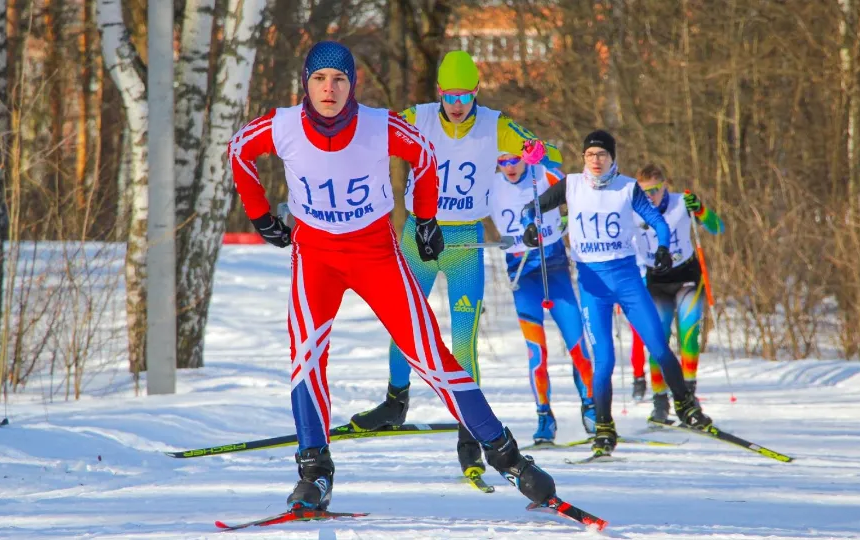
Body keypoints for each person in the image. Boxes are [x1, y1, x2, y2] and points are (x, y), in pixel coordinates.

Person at [228, 41, 565, 511]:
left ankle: (507, 457)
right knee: (305, 358)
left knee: (432, 356)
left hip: (375, 253)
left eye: (340, 80)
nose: (330, 89)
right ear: (305, 82)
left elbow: (424, 157)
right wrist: (261, 215)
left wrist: (425, 219)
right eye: (320, 79)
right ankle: (315, 471)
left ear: (353, 85)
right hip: (316, 257)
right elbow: (239, 150)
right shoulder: (282, 125)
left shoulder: (380, 125)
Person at [349, 50, 566, 478]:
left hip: (466, 239)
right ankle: (396, 400)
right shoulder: (419, 116)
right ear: (440, 92)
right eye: (451, 94)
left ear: (476, 92)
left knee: (463, 342)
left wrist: (541, 152)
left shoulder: (496, 125)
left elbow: (554, 157)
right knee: (402, 324)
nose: (458, 103)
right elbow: (370, 136)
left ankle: (470, 426)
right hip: (420, 234)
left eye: (466, 95)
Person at [522, 130, 712, 457]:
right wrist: (531, 227)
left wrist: (664, 247)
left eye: (602, 155)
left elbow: (658, 222)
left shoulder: (627, 187)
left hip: (627, 282)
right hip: (592, 285)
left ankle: (686, 406)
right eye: (590, 155)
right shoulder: (570, 185)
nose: (596, 161)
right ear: (584, 158)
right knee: (604, 361)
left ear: (612, 157)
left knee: (659, 346)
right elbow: (533, 209)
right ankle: (605, 427)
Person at [489, 152, 595, 441]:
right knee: (536, 352)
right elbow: (466, 214)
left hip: (556, 269)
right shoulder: (491, 184)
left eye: (514, 159)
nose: (509, 167)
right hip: (523, 276)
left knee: (579, 347)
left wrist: (567, 224)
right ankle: (544, 417)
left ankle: (590, 408)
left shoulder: (544, 175)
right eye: (502, 161)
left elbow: (580, 194)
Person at [630, 164, 723, 423]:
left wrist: (702, 210)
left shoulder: (681, 203)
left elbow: (717, 227)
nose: (650, 196)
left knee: (689, 333)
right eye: (645, 191)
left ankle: (689, 396)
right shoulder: (634, 211)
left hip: (686, 277)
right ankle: (660, 403)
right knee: (657, 340)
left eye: (656, 190)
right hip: (656, 280)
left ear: (665, 187)